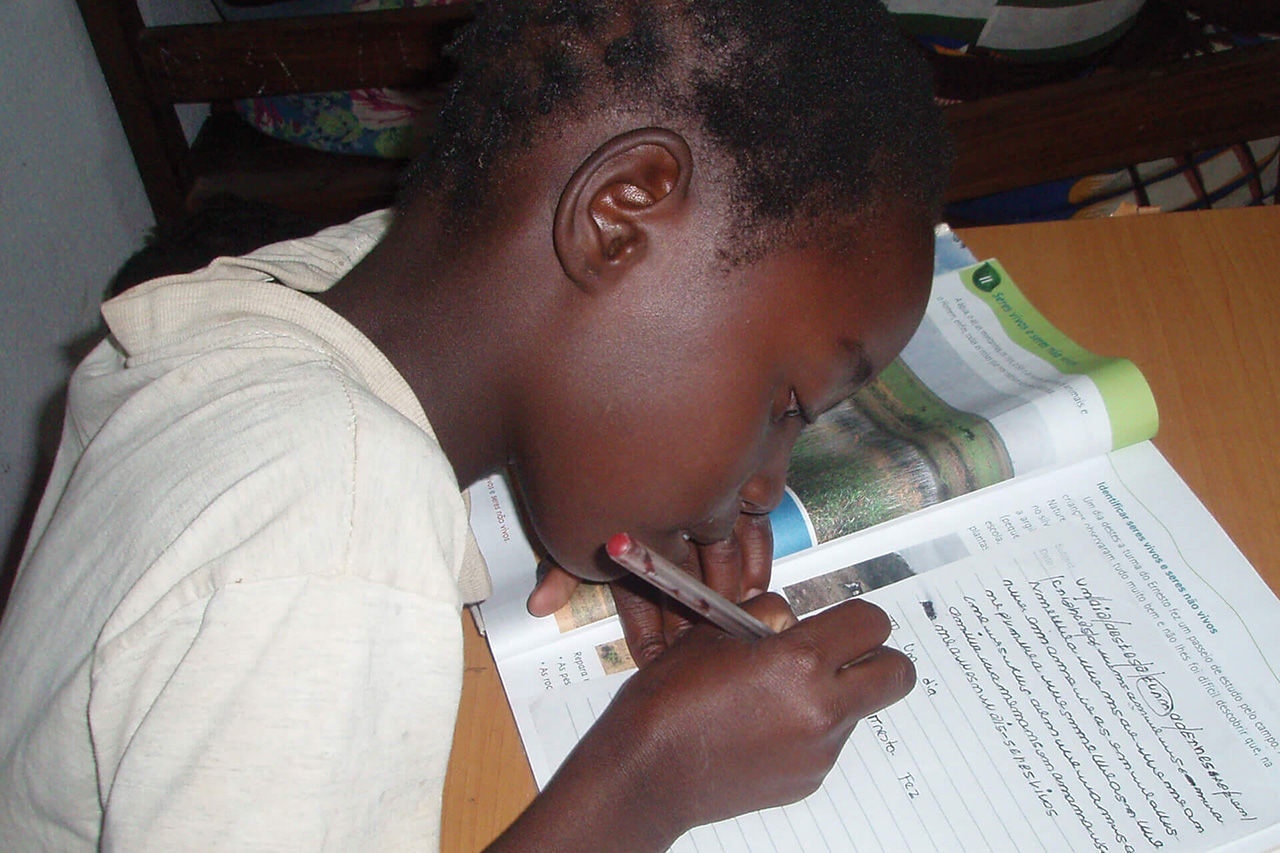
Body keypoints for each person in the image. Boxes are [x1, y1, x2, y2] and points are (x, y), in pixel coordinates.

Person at [0, 0, 950, 848]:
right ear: (619, 215)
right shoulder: (331, 522)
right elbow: (318, 543)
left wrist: (577, 460)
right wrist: (650, 780)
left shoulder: (310, 287)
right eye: (785, 404)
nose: (763, 488)